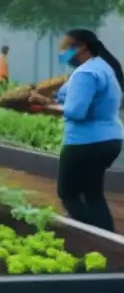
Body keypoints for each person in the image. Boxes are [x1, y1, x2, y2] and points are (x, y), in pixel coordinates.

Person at [29, 29, 123, 232]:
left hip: (85, 142)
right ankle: (110, 243)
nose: (62, 53)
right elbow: (76, 102)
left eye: (66, 47)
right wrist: (50, 102)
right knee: (93, 194)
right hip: (110, 139)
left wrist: (44, 108)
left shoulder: (85, 73)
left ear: (82, 47)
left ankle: (94, 239)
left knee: (69, 194)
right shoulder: (103, 68)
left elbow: (76, 112)